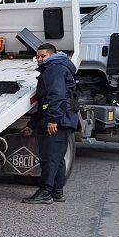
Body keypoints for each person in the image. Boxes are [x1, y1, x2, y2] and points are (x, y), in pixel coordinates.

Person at [21, 43, 77, 204]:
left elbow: (56, 96)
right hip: (62, 120)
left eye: (43, 56)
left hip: (57, 120)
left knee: (49, 159)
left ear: (52, 55)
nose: (39, 59)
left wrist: (54, 119)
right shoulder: (56, 68)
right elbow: (44, 104)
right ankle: (57, 192)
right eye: (37, 56)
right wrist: (32, 125)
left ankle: (45, 192)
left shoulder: (54, 69)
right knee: (57, 159)